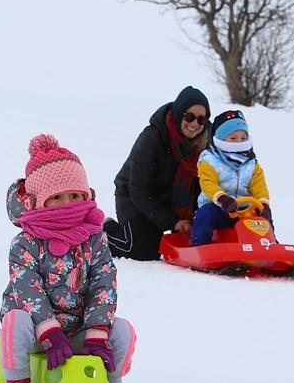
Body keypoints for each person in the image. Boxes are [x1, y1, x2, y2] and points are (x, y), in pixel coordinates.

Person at [0, 134, 137, 383]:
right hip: (38, 333)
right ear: (39, 202)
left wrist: (97, 331)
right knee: (15, 321)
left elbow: (103, 284)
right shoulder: (26, 243)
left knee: (122, 329)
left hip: (77, 331)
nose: (68, 204)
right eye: (57, 197)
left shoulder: (95, 238)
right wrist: (49, 331)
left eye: (75, 195)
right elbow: (28, 290)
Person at [104, 86, 210, 261]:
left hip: (170, 200)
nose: (194, 124)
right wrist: (173, 222)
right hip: (133, 197)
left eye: (201, 120)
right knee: (142, 251)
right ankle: (104, 231)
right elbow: (138, 190)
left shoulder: (207, 142)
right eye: (189, 117)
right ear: (178, 114)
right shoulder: (152, 138)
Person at [190, 108, 272, 246]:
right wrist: (222, 199)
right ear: (221, 139)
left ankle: (269, 245)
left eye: (243, 138)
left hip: (246, 209)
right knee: (205, 214)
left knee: (264, 218)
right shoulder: (209, 161)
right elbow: (208, 183)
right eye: (233, 138)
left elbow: (259, 185)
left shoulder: (251, 163)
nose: (239, 142)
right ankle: (199, 246)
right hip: (219, 207)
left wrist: (263, 203)